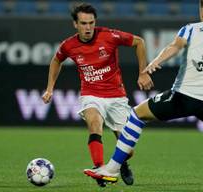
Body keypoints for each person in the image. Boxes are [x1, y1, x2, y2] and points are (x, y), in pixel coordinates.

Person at [83, 0, 203, 184]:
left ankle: (113, 169)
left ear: (201, 11)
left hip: (184, 96)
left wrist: (155, 62)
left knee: (137, 115)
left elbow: (175, 46)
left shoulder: (191, 28)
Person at [41, 3, 153, 187]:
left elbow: (139, 42)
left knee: (129, 150)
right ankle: (100, 168)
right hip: (91, 94)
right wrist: (50, 88)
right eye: (83, 23)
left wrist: (143, 72)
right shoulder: (69, 45)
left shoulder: (109, 36)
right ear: (75, 24)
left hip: (116, 96)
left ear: (95, 22)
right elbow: (56, 60)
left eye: (91, 23)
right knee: (94, 124)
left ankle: (122, 162)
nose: (88, 28)